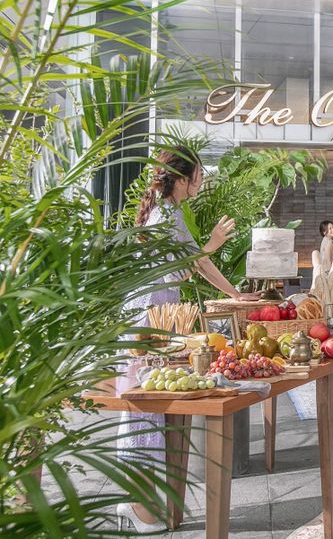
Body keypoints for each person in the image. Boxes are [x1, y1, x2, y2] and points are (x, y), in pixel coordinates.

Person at [117, 146, 260, 533]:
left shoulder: (172, 212)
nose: (202, 180)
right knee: (143, 407)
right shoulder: (166, 214)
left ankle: (139, 500)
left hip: (157, 313)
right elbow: (185, 266)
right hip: (148, 315)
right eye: (198, 174)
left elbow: (197, 262)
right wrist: (212, 243)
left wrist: (234, 295)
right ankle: (135, 503)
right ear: (182, 179)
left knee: (149, 406)